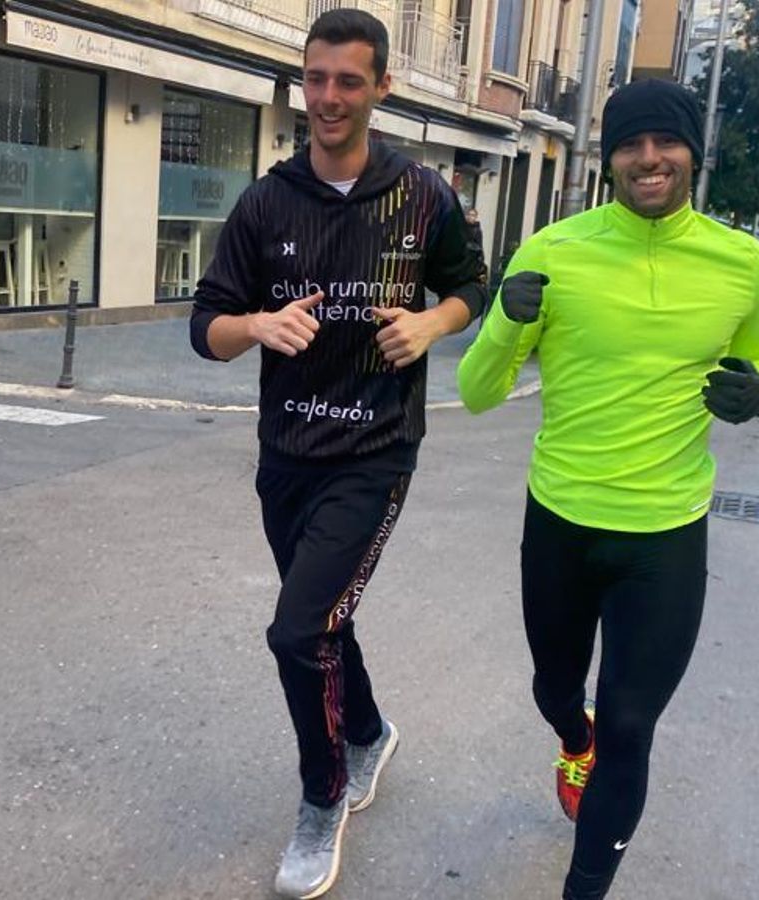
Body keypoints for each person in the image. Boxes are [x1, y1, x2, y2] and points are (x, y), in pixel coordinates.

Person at [455, 78, 759, 900]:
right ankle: (574, 735)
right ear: (609, 160)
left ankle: (585, 887)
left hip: (667, 533)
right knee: (556, 689)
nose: (649, 160)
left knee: (632, 726)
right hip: (562, 520)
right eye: (630, 145)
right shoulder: (552, 253)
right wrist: (503, 316)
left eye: (665, 144)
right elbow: (477, 391)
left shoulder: (744, 263)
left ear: (691, 156)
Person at [188, 9, 489, 898]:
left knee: (297, 628)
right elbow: (205, 325)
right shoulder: (266, 201)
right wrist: (256, 326)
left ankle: (323, 799)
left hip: (374, 451)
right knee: (325, 621)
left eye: (348, 82)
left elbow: (473, 282)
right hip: (285, 456)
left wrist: (433, 322)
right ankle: (367, 732)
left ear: (381, 88)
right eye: (316, 79)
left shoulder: (424, 195)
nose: (328, 98)